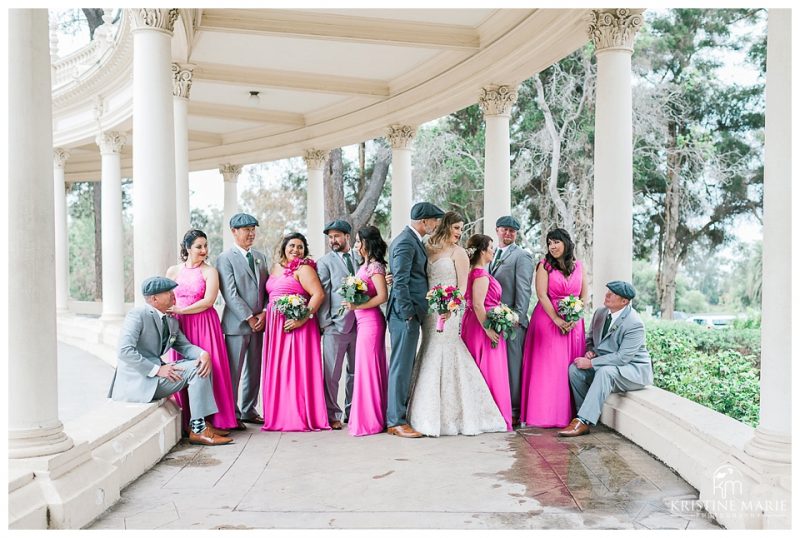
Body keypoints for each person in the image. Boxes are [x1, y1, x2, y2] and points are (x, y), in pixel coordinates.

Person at [406, 215, 506, 437]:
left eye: (461, 228)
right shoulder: (427, 247)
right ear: (445, 226)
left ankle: (454, 416)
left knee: (446, 351)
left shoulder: (459, 253)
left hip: (449, 312)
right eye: (456, 228)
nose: (460, 232)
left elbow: (461, 288)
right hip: (430, 312)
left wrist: (450, 307)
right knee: (429, 351)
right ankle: (424, 412)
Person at [108, 276, 232, 446]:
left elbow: (185, 346)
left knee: (201, 363)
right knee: (196, 370)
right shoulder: (138, 315)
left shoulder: (171, 319)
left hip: (157, 374)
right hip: (140, 381)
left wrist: (203, 354)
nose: (173, 294)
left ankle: (200, 423)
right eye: (168, 292)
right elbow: (124, 351)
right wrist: (157, 370)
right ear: (154, 299)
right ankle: (198, 429)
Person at [559, 281, 653, 437]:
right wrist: (590, 351)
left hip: (632, 370)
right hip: (608, 365)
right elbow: (590, 339)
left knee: (605, 372)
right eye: (608, 291)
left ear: (624, 301)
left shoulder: (634, 323)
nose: (607, 295)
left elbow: (622, 358)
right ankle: (583, 415)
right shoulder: (600, 313)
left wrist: (591, 363)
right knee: (575, 370)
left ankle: (583, 420)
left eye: (613, 294)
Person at [165, 229, 238, 431]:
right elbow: (166, 298)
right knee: (182, 367)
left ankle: (214, 420)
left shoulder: (210, 271)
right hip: (180, 325)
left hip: (204, 324)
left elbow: (208, 301)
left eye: (206, 246)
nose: (204, 250)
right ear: (187, 248)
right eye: (199, 246)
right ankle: (188, 420)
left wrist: (182, 310)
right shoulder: (173, 271)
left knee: (209, 367)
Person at [261, 233, 330, 431]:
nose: (295, 250)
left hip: (298, 326)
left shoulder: (304, 268)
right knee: (280, 369)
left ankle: (297, 415)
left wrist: (302, 318)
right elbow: (271, 296)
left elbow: (318, 294)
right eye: (292, 245)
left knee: (295, 370)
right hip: (275, 327)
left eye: (300, 247)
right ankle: (280, 414)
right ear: (284, 247)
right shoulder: (275, 268)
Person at [385, 202, 444, 438]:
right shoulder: (405, 242)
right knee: (401, 367)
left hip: (409, 314)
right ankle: (395, 421)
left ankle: (398, 416)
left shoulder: (411, 240)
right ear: (423, 221)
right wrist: (408, 313)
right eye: (434, 220)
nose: (436, 225)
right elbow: (400, 282)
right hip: (404, 315)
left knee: (404, 366)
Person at [520, 228, 588, 428]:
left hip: (574, 324)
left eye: (556, 242)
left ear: (566, 243)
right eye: (550, 243)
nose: (552, 246)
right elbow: (541, 295)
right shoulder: (544, 266)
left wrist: (575, 317)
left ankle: (571, 415)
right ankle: (545, 415)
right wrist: (557, 319)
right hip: (548, 322)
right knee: (551, 368)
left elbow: (584, 295)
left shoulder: (579, 266)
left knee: (568, 367)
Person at [216, 213, 269, 430]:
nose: (251, 233)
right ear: (234, 231)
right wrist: (249, 317)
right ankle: (232, 414)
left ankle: (249, 410)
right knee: (234, 372)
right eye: (246, 229)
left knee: (254, 370)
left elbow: (268, 288)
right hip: (237, 325)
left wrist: (264, 312)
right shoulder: (225, 258)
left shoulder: (260, 257)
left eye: (253, 229)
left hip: (259, 324)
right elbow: (229, 294)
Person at [459, 233, 513, 431]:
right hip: (482, 326)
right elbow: (478, 305)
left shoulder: (471, 272)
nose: (492, 250)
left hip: (473, 323)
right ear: (482, 251)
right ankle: (492, 415)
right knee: (489, 370)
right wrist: (489, 329)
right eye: (490, 247)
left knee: (478, 368)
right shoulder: (480, 275)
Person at [342, 226, 389, 436]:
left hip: (371, 323)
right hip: (363, 322)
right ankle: (368, 416)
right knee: (364, 368)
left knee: (369, 369)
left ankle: (372, 420)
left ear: (368, 243)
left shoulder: (375, 266)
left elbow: (382, 296)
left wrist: (357, 306)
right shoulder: (365, 265)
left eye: (359, 241)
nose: (356, 245)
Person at [489, 216, 534, 428]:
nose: (508, 234)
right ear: (497, 230)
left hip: (512, 323)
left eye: (512, 231)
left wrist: (517, 317)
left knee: (513, 367)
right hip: (493, 320)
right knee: (498, 367)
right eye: (504, 229)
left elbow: (524, 289)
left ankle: (515, 410)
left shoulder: (522, 256)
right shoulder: (490, 254)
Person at [316, 220, 358, 430]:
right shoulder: (324, 262)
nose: (333, 240)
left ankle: (352, 412)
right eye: (330, 237)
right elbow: (323, 293)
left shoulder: (360, 258)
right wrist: (326, 324)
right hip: (335, 325)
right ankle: (332, 414)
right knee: (332, 374)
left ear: (347, 236)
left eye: (336, 236)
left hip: (360, 324)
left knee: (356, 372)